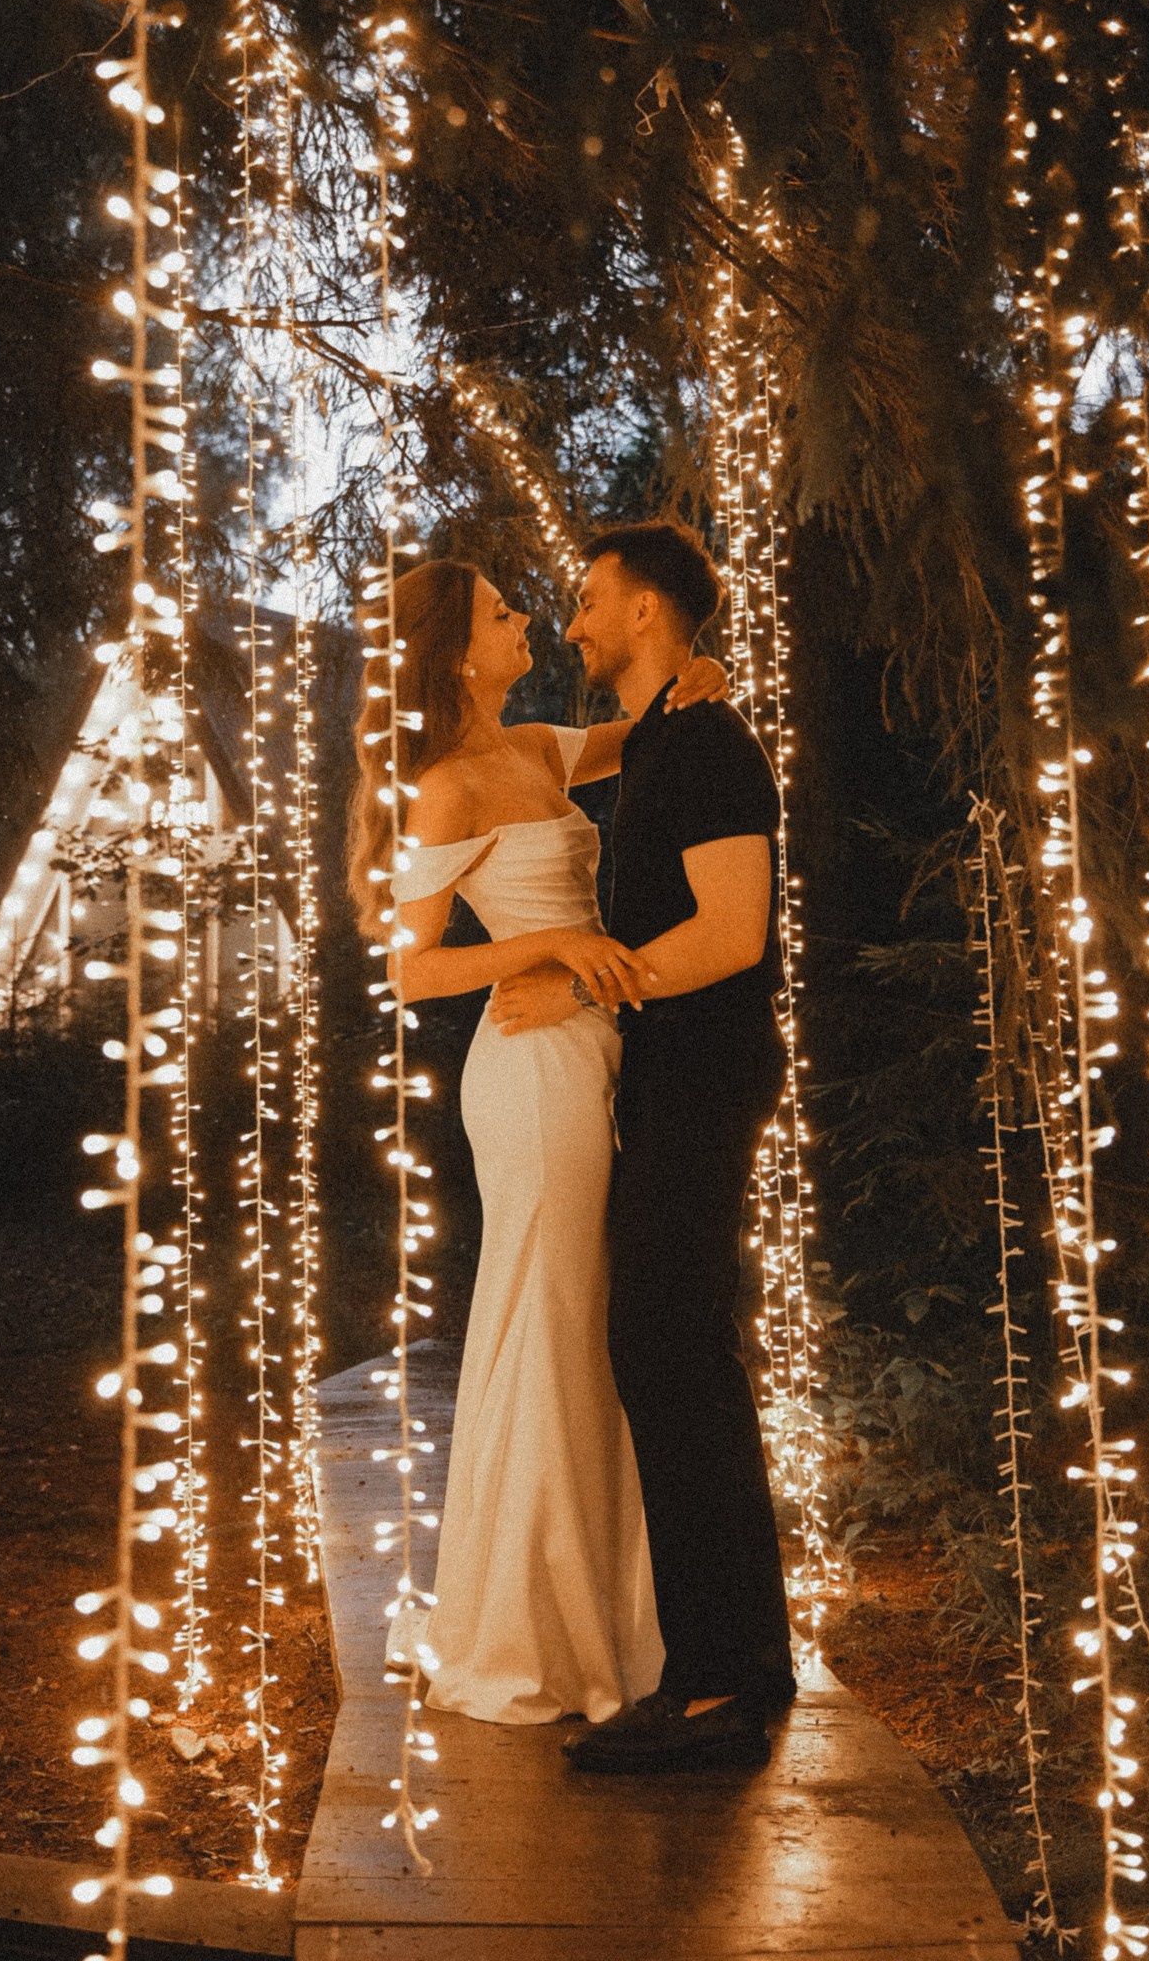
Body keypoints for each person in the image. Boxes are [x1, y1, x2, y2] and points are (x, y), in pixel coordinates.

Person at [346, 557, 727, 1726]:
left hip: (591, 1043)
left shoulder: (537, 751)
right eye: (503, 613)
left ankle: (610, 1612)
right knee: (551, 1320)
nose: (530, 624)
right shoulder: (447, 786)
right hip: (528, 1066)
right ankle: (530, 1633)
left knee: (591, 1323)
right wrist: (547, 948)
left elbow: (647, 729)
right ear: (458, 651)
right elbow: (410, 968)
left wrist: (702, 676)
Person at [490, 521, 796, 1773]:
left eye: (587, 601)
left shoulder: (710, 744)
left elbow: (731, 933)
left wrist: (581, 984)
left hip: (706, 1074)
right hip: (669, 1078)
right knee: (673, 1351)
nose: (570, 624)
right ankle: (736, 1663)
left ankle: (718, 1689)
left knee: (670, 1349)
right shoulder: (667, 732)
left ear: (646, 611)